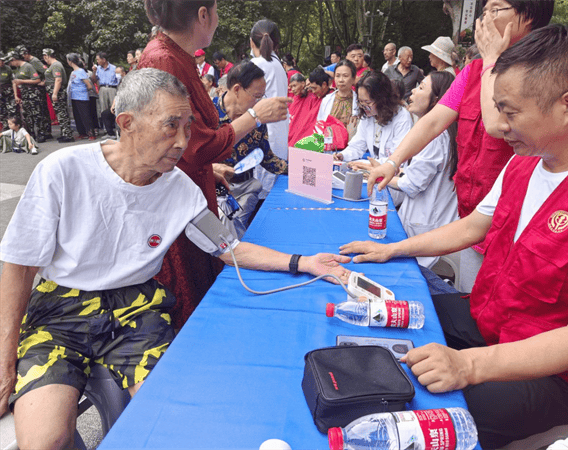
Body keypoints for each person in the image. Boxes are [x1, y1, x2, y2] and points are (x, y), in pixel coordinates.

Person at [0, 68, 351, 449]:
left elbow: (228, 247)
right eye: (171, 126)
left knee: (169, 424)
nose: (183, 141)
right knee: (44, 441)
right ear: (127, 123)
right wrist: (4, 361)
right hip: (61, 309)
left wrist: (303, 262)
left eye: (188, 126)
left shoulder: (180, 190)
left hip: (137, 309)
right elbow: (19, 267)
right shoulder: (62, 171)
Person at [340, 24, 568, 449]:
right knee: (386, 323)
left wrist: (468, 366)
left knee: (425, 420)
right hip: (495, 321)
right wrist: (392, 249)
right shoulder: (527, 163)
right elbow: (473, 226)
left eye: (511, 113)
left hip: (561, 375)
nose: (498, 127)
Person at [366, 0, 555, 292]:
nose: (485, 20)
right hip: (473, 218)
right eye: (485, 11)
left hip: (516, 226)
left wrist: (493, 59)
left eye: (496, 10)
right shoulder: (473, 71)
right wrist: (393, 163)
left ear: (528, 15)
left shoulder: (544, 70)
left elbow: (497, 126)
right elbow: (433, 121)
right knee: (472, 304)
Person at [139, 0, 292, 328]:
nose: (218, 20)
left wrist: (210, 168)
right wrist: (254, 117)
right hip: (177, 204)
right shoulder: (164, 59)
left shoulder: (176, 57)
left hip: (196, 188)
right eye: (217, 12)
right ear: (203, 15)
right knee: (190, 296)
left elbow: (192, 149)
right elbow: (190, 147)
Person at [213, 61, 288, 237]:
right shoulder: (208, 115)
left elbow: (267, 158)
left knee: (235, 230)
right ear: (237, 89)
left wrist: (301, 170)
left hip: (246, 187)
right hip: (214, 189)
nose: (259, 102)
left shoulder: (257, 119)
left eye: (262, 97)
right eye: (256, 96)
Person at [391, 71, 458, 268]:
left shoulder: (436, 137)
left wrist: (375, 175)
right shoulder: (438, 132)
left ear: (436, 99)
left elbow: (411, 184)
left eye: (421, 87)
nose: (412, 91)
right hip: (424, 222)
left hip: (427, 228)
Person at [333, 71, 413, 206]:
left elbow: (397, 159)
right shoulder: (368, 116)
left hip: (392, 184)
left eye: (367, 102)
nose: (363, 107)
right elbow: (357, 145)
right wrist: (342, 155)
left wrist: (365, 165)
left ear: (382, 99)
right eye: (360, 102)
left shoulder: (402, 118)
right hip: (372, 176)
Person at [249, 19, 290, 199]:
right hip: (278, 135)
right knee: (272, 193)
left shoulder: (255, 66)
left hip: (262, 136)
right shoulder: (278, 65)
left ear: (251, 41)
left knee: (259, 196)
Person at [16, 45, 53, 141]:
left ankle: (45, 132)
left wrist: (44, 82)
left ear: (26, 53)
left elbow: (47, 71)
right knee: (41, 110)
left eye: (23, 55)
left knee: (40, 110)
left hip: (37, 88)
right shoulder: (28, 63)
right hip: (33, 87)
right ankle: (46, 131)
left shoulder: (34, 61)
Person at [7, 52, 42, 141]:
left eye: (11, 62)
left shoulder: (28, 66)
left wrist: (22, 81)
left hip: (33, 93)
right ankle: (31, 135)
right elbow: (15, 82)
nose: (10, 64)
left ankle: (40, 134)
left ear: (14, 59)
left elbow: (37, 80)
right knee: (27, 116)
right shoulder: (18, 68)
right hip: (24, 94)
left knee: (36, 115)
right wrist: (16, 96)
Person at [316, 59, 359, 130]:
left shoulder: (359, 101)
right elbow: (319, 124)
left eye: (345, 76)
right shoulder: (326, 100)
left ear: (353, 78)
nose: (341, 80)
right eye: (338, 76)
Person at [42, 48, 74, 143]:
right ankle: (64, 133)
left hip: (58, 92)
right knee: (60, 114)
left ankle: (68, 135)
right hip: (54, 91)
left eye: (45, 56)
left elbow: (58, 80)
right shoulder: (53, 65)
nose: (44, 59)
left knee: (62, 113)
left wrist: (55, 93)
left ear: (47, 56)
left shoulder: (56, 65)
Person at [66, 53, 96, 140]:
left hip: (82, 96)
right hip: (74, 96)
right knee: (77, 116)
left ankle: (91, 133)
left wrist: (83, 90)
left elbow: (89, 85)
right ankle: (82, 132)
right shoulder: (73, 72)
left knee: (85, 115)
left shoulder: (81, 71)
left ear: (71, 61)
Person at [0, 52, 18, 131]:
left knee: (12, 111)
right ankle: (5, 130)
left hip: (8, 92)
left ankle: (14, 129)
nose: (2, 62)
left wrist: (16, 95)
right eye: (1, 61)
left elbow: (13, 82)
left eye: (3, 61)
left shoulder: (7, 68)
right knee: (2, 113)